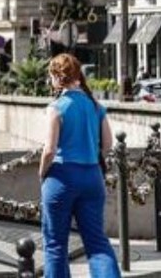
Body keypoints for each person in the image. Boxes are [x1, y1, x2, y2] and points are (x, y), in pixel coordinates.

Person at [39, 53, 120, 278]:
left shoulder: (57, 107)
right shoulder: (96, 105)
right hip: (92, 176)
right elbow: (108, 144)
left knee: (55, 244)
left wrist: (42, 173)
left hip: (61, 177)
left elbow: (49, 150)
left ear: (57, 77)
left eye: (51, 76)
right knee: (97, 242)